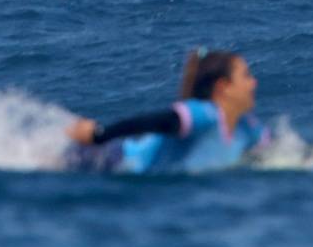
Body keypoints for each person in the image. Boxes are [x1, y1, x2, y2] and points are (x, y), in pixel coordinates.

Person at [64, 48, 266, 173]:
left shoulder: (248, 127)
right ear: (224, 87)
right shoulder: (205, 114)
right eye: (247, 76)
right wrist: (100, 134)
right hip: (114, 159)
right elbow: (157, 121)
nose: (254, 83)